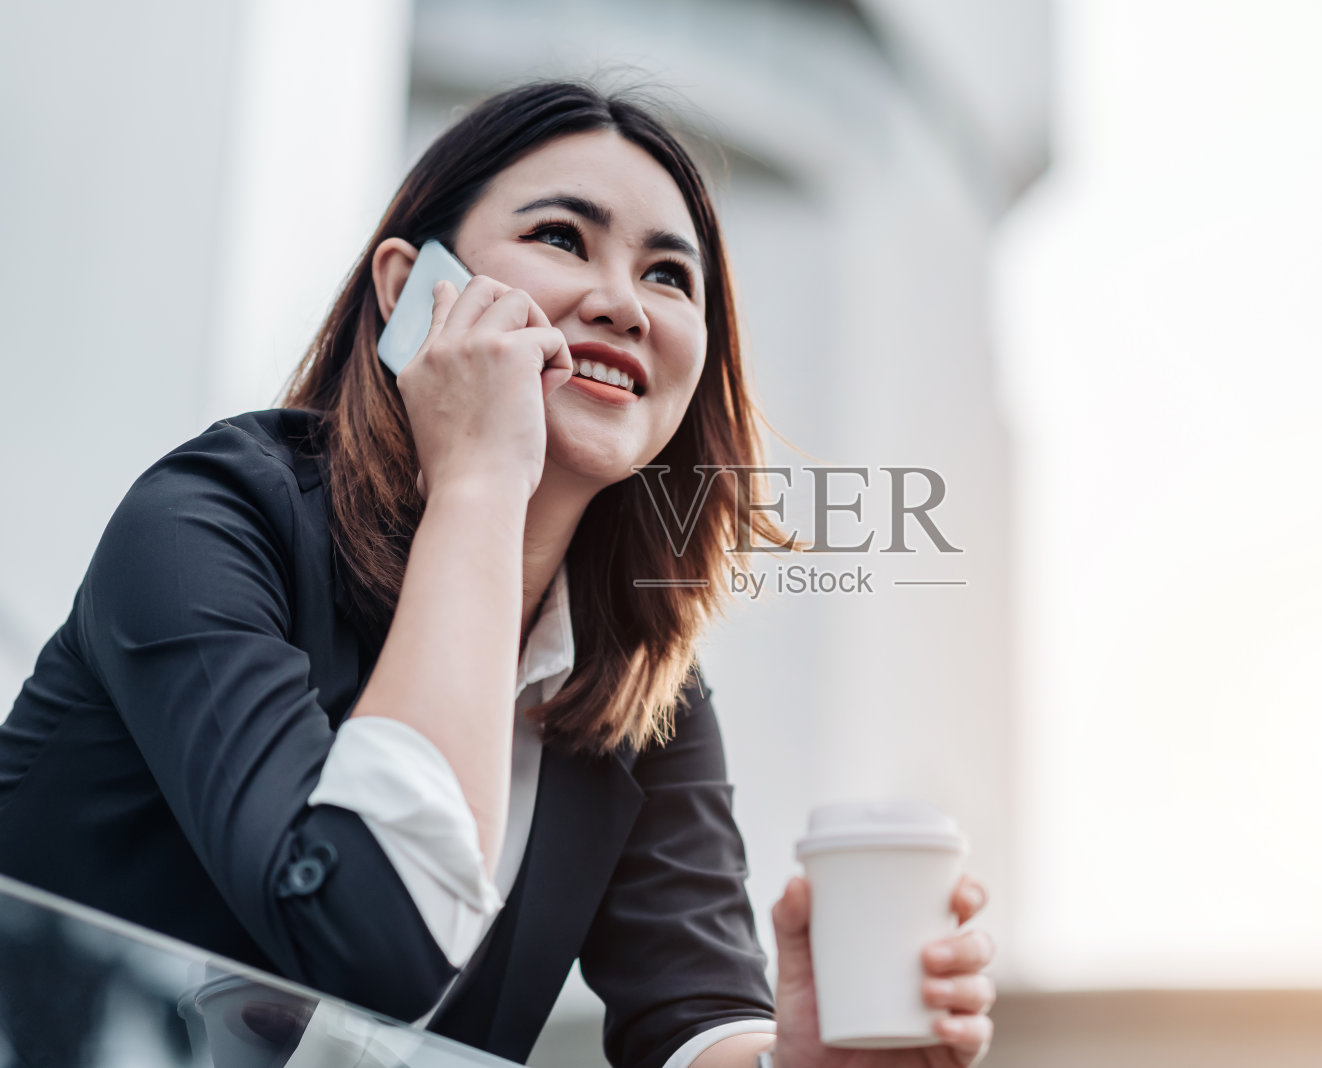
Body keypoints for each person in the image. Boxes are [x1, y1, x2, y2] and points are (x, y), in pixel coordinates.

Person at [0, 81, 995, 1067]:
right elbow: (369, 935)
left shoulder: (640, 683)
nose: (623, 304)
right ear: (409, 289)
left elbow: (693, 1019)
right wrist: (480, 476)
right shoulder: (212, 519)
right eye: (561, 236)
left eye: (669, 276)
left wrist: (807, 1063)